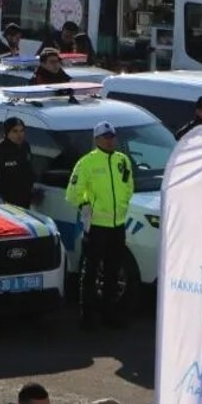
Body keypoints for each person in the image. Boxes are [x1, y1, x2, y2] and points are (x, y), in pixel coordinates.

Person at [67, 122, 134, 330]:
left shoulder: (122, 160)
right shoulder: (86, 163)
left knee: (113, 272)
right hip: (96, 226)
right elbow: (73, 192)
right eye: (105, 137)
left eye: (112, 136)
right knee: (91, 272)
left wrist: (122, 205)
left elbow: (129, 186)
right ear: (96, 139)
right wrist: (85, 206)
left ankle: (109, 314)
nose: (110, 140)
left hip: (117, 225)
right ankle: (87, 316)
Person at [0, 117, 35, 209]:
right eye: (15, 131)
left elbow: (28, 170)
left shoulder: (25, 147)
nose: (19, 135)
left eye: (22, 131)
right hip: (5, 203)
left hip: (24, 201)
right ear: (7, 132)